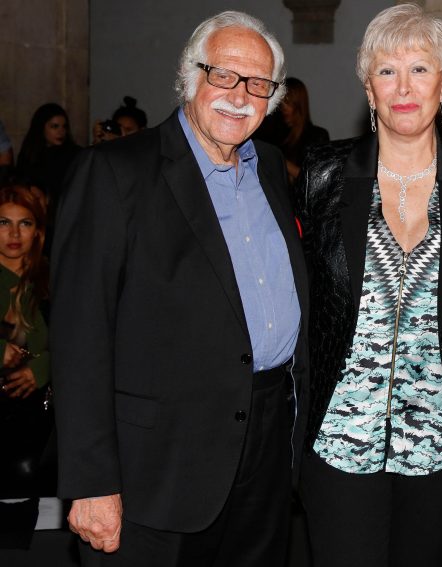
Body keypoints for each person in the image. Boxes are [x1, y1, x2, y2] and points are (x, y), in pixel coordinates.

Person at [50, 11, 308, 566]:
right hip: (155, 469)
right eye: (224, 75)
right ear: (190, 77)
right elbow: (79, 336)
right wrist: (91, 481)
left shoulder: (267, 167)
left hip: (265, 450)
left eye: (258, 84)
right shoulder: (114, 172)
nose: (239, 96)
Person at [296, 5, 442, 566]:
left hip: (439, 444)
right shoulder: (322, 174)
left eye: (420, 69)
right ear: (369, 88)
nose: (404, 87)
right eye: (387, 71)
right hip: (338, 440)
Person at [0, 182, 51, 496]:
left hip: (38, 421)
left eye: (25, 223)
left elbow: (83, 340)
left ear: (37, 231)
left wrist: (42, 368)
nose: (14, 234)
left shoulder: (55, 278)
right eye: (4, 222)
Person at [255, 77, 329, 182]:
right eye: (281, 102)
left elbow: (316, 180)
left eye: (288, 102)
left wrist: (280, 160)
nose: (283, 107)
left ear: (299, 104)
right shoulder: (276, 133)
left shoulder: (317, 136)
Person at [16, 103, 80, 203]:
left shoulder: (75, 154)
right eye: (54, 126)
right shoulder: (29, 154)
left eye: (64, 127)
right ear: (41, 128)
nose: (61, 131)